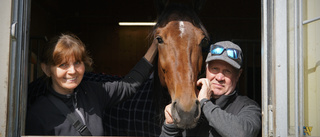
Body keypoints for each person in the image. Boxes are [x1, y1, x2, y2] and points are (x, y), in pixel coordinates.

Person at [25, 33, 157, 136]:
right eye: (63, 65)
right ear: (47, 69)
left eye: (77, 62)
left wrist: (155, 45)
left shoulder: (93, 92)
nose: (72, 71)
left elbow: (129, 85)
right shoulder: (38, 115)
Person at [160, 41, 261, 137]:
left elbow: (242, 134)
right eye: (215, 69)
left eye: (227, 71)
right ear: (206, 68)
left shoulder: (248, 107)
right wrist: (169, 127)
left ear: (238, 75)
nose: (219, 77)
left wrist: (205, 103)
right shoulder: (190, 105)